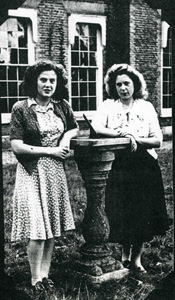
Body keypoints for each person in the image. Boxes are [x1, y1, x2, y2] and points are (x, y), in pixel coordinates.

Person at [10, 60, 79, 297]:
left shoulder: (61, 106)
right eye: (43, 80)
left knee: (51, 226)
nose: (48, 84)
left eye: (52, 80)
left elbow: (74, 127)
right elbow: (17, 146)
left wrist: (66, 139)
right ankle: (33, 278)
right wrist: (50, 150)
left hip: (54, 173)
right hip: (31, 170)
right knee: (38, 227)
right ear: (34, 82)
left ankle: (45, 275)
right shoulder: (21, 108)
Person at [91, 63, 168, 275]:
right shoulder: (108, 105)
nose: (123, 88)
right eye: (118, 85)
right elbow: (96, 127)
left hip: (144, 166)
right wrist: (120, 136)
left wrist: (135, 138)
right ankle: (124, 256)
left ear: (135, 84)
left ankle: (136, 260)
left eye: (127, 83)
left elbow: (157, 141)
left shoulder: (146, 107)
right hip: (118, 166)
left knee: (142, 212)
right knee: (123, 211)